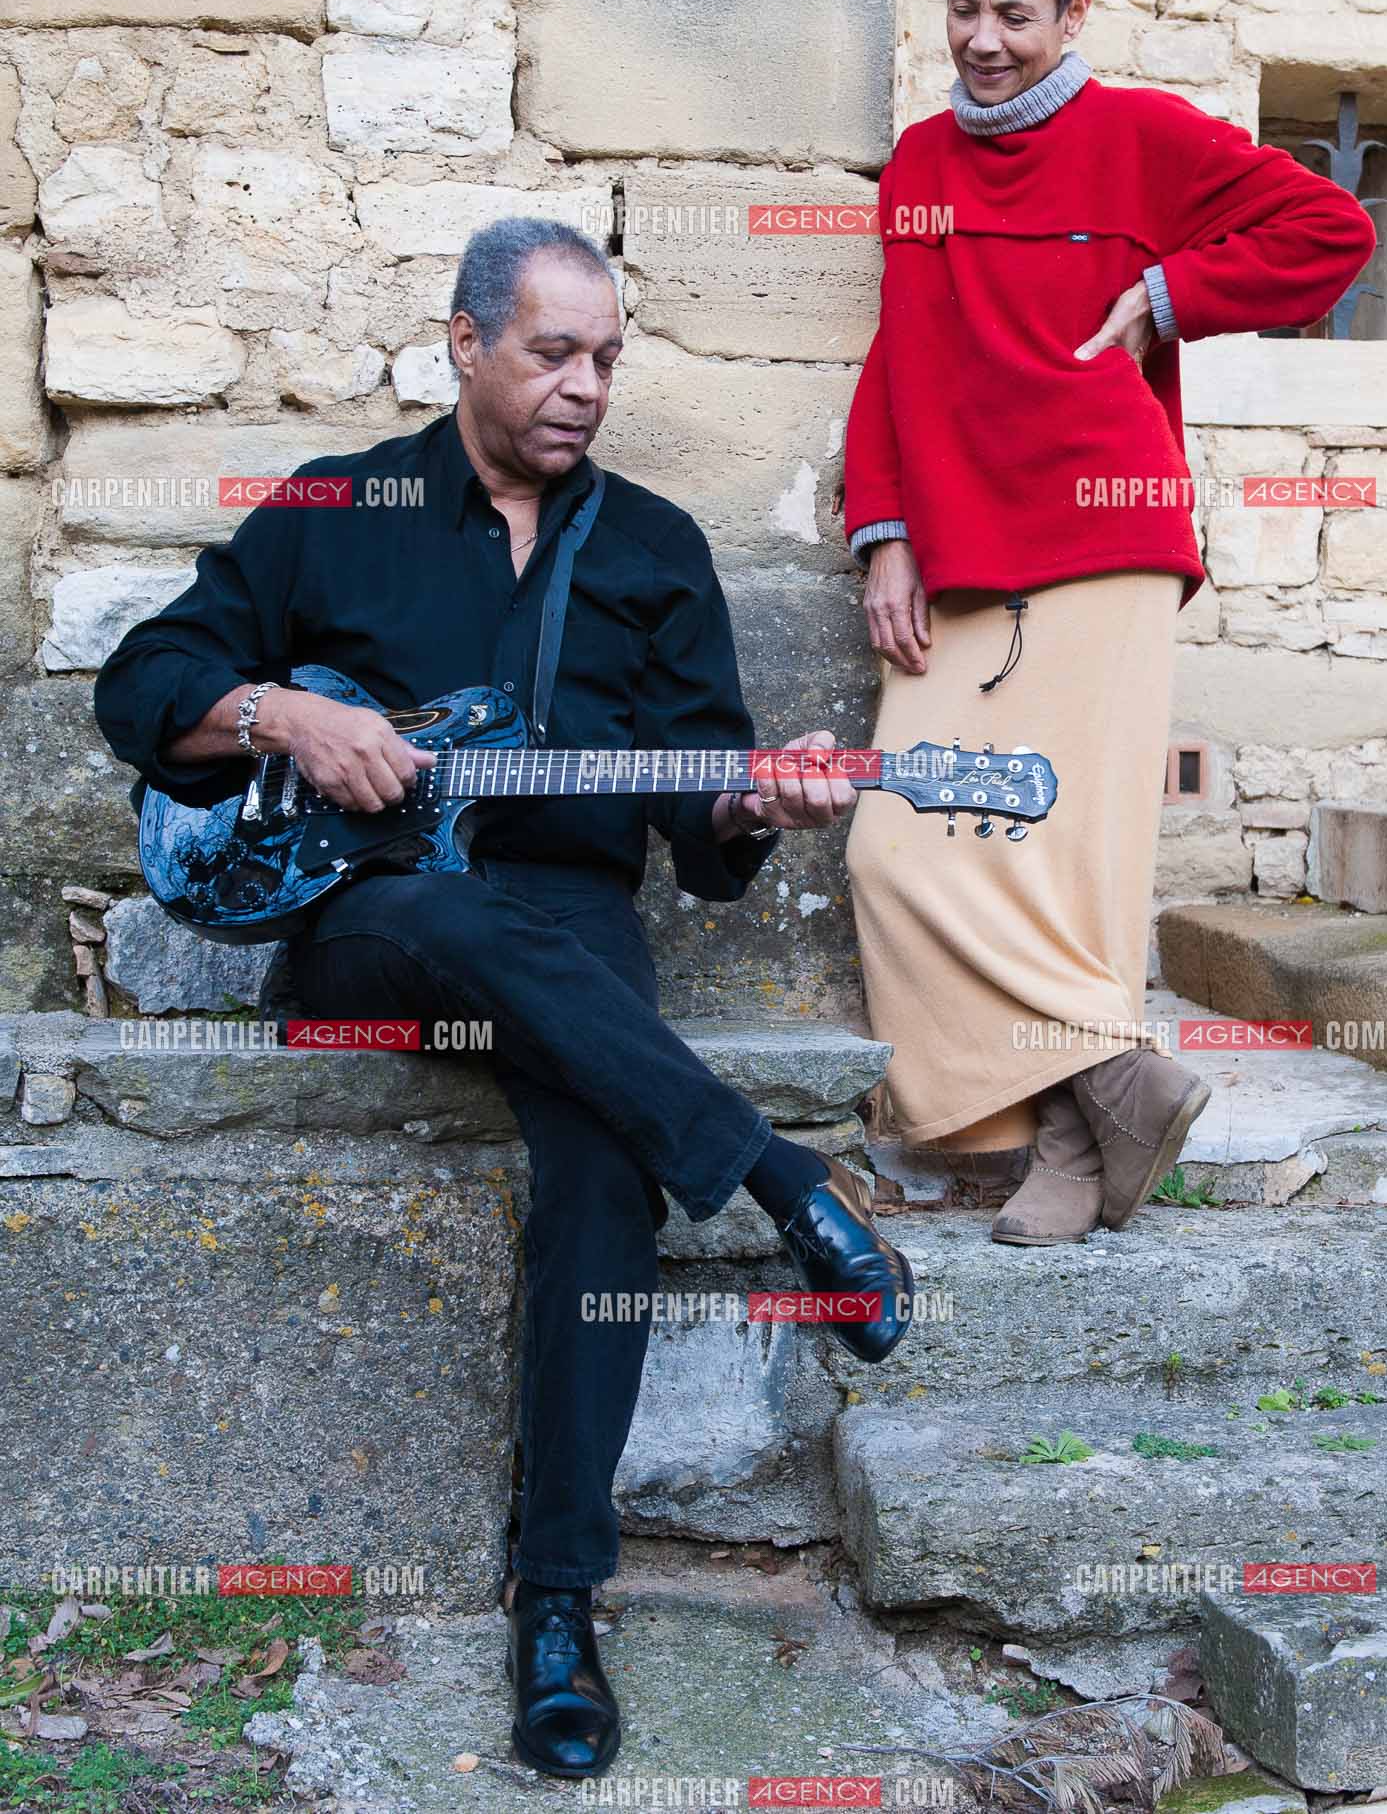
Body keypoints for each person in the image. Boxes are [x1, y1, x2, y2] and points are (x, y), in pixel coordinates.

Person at [94, 217, 915, 1782]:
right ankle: (779, 1173)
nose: (584, 385)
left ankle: (558, 1604)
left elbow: (702, 828)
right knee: (446, 911)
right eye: (552, 352)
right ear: (466, 342)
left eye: (606, 357)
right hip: (373, 925)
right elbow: (141, 688)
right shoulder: (340, 508)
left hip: (570, 925)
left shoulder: (656, 549)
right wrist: (284, 714)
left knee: (606, 1153)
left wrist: (754, 801)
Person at [842, 0, 1377, 1248]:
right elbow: (896, 354)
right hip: (960, 551)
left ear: (1074, 13)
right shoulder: (919, 166)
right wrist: (883, 529)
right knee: (898, 848)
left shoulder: (1145, 138)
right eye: (964, 10)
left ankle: (1070, 1147)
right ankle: (1118, 1086)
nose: (984, 40)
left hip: (1106, 534)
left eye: (1014, 15)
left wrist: (1167, 295)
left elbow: (1332, 233)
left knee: (1067, 862)